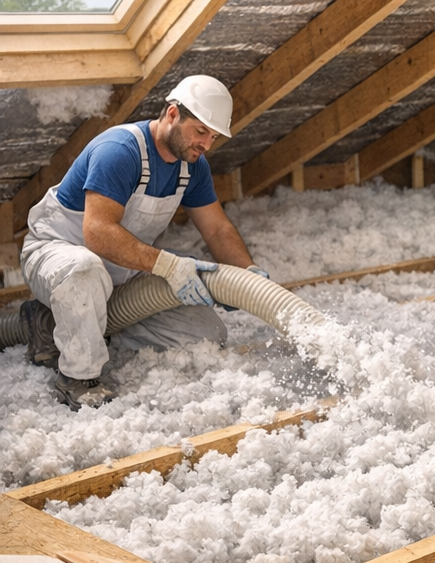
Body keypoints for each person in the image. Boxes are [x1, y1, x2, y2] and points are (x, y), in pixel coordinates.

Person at [19, 75, 267, 411]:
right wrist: (168, 265)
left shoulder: (192, 166)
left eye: (213, 136)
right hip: (58, 256)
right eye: (200, 131)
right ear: (173, 114)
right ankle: (78, 378)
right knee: (85, 270)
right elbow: (98, 232)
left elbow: (218, 229)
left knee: (205, 332)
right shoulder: (120, 151)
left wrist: (247, 272)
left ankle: (65, 326)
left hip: (123, 268)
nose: (206, 144)